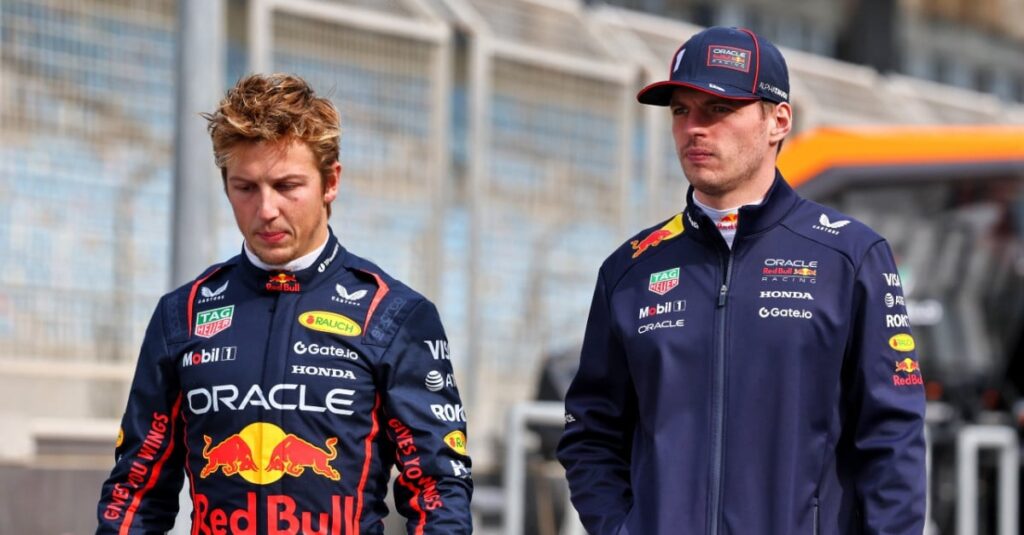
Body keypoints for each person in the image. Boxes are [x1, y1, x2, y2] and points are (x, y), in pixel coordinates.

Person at [557, 27, 925, 535]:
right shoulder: (630, 270)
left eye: (719, 109)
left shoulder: (851, 257)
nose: (694, 129)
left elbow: (892, 439)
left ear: (778, 121)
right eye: (681, 111)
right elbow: (590, 433)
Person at [96, 73, 472, 534]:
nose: (266, 210)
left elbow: (438, 489)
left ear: (330, 182)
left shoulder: (394, 314)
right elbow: (136, 489)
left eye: (287, 185)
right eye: (246, 188)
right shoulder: (183, 313)